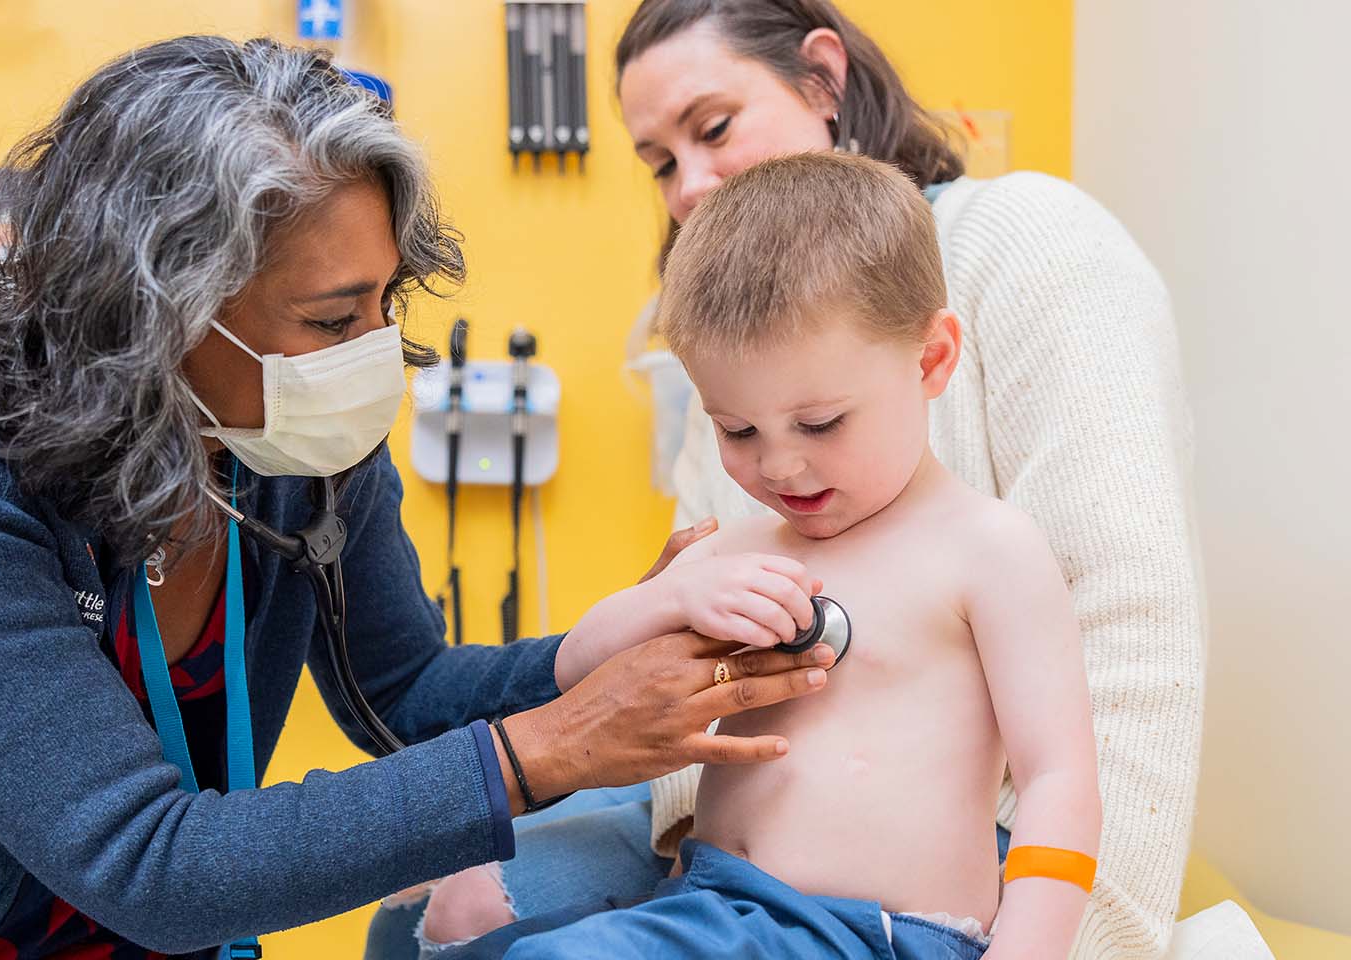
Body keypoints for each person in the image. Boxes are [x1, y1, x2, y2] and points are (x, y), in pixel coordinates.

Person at [0, 36, 835, 959]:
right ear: (153, 308)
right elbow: (149, 862)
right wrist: (556, 748)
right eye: (331, 319)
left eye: (385, 303)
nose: (375, 354)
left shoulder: (288, 422)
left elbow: (404, 695)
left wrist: (606, 643)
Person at [374, 2, 1203, 958]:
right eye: (658, 161)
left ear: (823, 77)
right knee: (435, 919)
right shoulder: (750, 477)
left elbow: (1108, 694)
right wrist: (670, 605)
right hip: (726, 885)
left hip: (900, 904)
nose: (778, 466)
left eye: (713, 126)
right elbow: (613, 662)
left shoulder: (987, 518)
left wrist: (1056, 937)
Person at [447, 151, 1102, 960]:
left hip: (876, 935)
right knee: (472, 945)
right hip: (709, 905)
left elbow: (1058, 777)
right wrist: (672, 598)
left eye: (821, 423)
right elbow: (581, 670)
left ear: (930, 361)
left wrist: (1029, 949)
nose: (781, 466)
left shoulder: (986, 549)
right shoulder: (740, 543)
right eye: (739, 430)